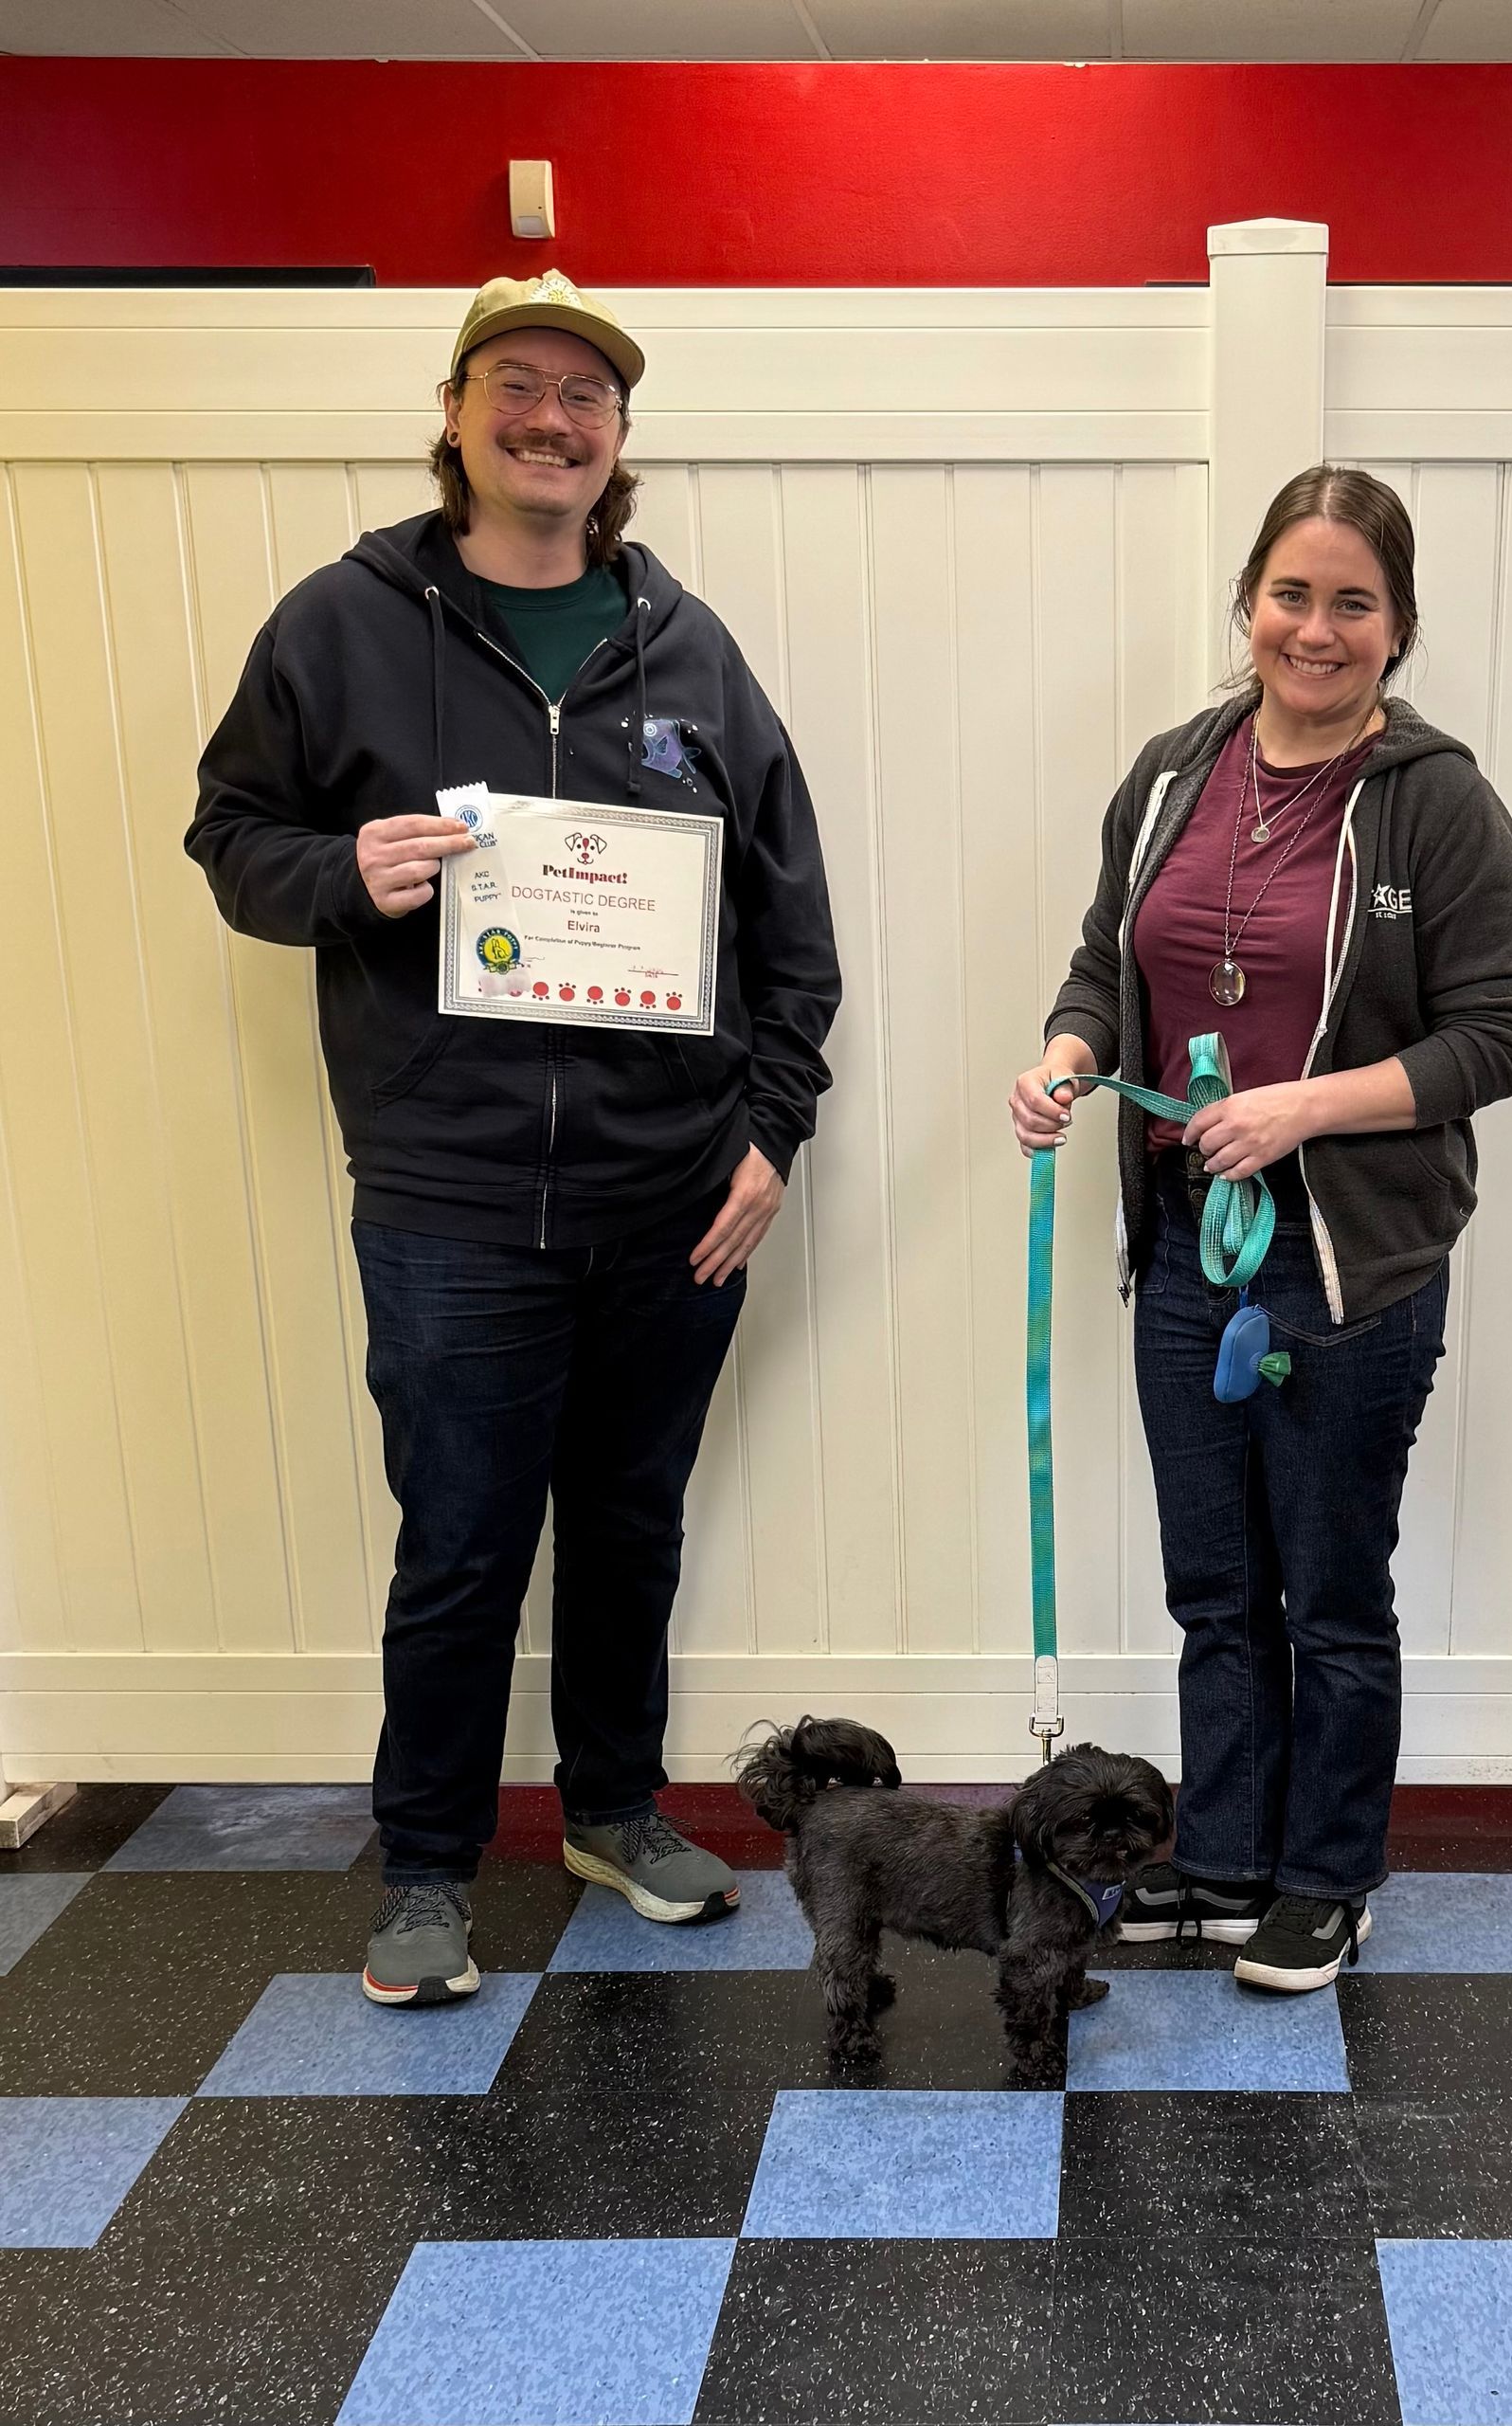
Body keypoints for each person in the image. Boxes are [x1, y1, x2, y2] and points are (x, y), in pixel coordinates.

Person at [187, 270, 840, 2005]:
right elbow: (231, 837)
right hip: (451, 1194)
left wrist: (771, 1131)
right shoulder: (339, 624)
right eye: (519, 385)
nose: (552, 419)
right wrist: (341, 872)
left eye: (586, 396)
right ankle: (425, 1872)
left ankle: (614, 1810)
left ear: (618, 438)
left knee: (630, 1527)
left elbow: (790, 925)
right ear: (459, 413)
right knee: (462, 1547)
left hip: (673, 1196)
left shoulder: (691, 652)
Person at [1010, 465, 1512, 1992]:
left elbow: (1498, 1040)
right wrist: (1065, 1053)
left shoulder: (1438, 803)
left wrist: (1303, 1111)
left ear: (1399, 626)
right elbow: (1105, 963)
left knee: (1333, 1596)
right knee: (1216, 1589)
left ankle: (1327, 1877)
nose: (1316, 629)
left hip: (1348, 1265)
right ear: (1247, 604)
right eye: (1291, 595)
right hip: (1189, 1248)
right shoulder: (1173, 773)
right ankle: (1230, 1856)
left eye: (1352, 603)